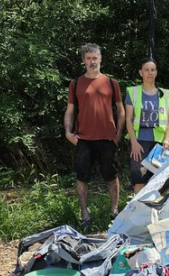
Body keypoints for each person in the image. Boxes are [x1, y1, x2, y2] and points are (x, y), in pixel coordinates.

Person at [63, 43, 124, 228]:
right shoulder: (75, 84)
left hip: (107, 138)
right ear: (83, 61)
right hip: (83, 139)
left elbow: (121, 111)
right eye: (88, 58)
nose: (92, 62)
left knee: (111, 175)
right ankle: (85, 215)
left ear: (100, 59)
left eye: (95, 58)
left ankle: (115, 211)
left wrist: (118, 135)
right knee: (82, 177)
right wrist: (68, 132)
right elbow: (70, 111)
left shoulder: (111, 83)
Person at [124, 58, 169, 193]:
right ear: (141, 72)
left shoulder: (165, 94)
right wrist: (133, 142)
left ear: (156, 72)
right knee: (139, 177)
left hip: (158, 143)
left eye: (153, 70)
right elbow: (128, 119)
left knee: (157, 178)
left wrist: (167, 140)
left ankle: (154, 210)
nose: (150, 73)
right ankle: (139, 211)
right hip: (139, 141)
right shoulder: (133, 92)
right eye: (146, 70)